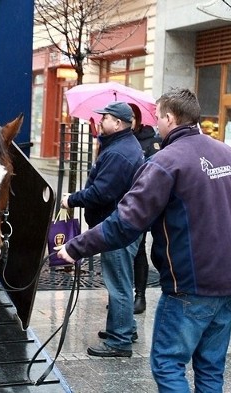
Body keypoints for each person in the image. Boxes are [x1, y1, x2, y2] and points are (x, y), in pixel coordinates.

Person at [57, 88, 231, 391]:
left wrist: (74, 248)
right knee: (210, 367)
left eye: (159, 117)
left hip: (192, 284)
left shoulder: (165, 162)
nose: (157, 124)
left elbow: (124, 224)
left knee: (167, 364)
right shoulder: (225, 152)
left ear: (169, 117)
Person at [60, 101, 144, 357]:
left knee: (118, 283)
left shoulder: (119, 153)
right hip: (121, 225)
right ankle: (125, 328)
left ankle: (120, 341)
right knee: (122, 280)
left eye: (104, 117)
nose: (99, 121)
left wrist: (73, 198)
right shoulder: (122, 146)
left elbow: (102, 192)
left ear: (118, 123)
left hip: (117, 228)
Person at [128, 103, 162, 314]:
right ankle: (122, 295)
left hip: (142, 202)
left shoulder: (152, 141)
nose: (129, 121)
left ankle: (140, 295)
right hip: (121, 201)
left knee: (139, 249)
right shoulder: (118, 139)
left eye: (133, 117)